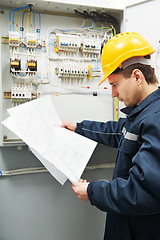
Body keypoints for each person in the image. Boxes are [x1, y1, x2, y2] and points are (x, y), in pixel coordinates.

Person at [61, 32, 160, 240]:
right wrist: (78, 127)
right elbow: (117, 132)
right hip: (127, 222)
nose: (113, 94)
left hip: (141, 229)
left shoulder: (156, 118)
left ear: (137, 77)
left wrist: (92, 191)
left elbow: (144, 191)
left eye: (114, 84)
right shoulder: (142, 112)